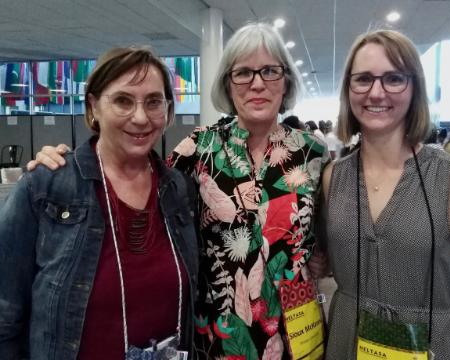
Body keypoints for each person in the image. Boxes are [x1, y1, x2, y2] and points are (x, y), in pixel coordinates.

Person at [26, 23, 330, 360]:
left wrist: (320, 258)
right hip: (219, 339)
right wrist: (64, 162)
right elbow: (136, 180)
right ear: (228, 85)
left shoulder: (313, 153)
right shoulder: (197, 150)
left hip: (297, 336)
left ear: (286, 80)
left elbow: (328, 234)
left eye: (270, 71)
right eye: (243, 72)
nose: (257, 83)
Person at [0, 47, 200, 359]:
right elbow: (5, 313)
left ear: (168, 109)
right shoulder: (45, 186)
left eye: (153, 102)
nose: (140, 117)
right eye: (122, 101)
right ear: (94, 106)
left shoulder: (178, 189)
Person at [319, 29, 450, 359]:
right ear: (349, 89)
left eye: (393, 79)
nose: (376, 92)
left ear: (414, 87)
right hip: (347, 345)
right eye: (363, 80)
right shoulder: (334, 177)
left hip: (432, 348)